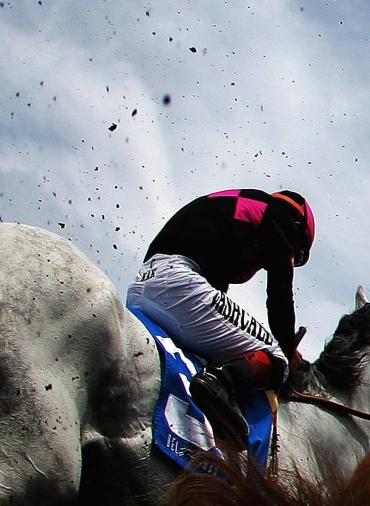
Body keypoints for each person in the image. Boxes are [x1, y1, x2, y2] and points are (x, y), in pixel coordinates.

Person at [127, 188, 315, 441]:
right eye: (295, 254)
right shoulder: (280, 215)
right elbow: (280, 293)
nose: (290, 257)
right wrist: (288, 348)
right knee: (275, 356)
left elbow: (217, 298)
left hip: (142, 287)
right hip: (177, 283)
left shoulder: (233, 218)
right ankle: (217, 386)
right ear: (297, 226)